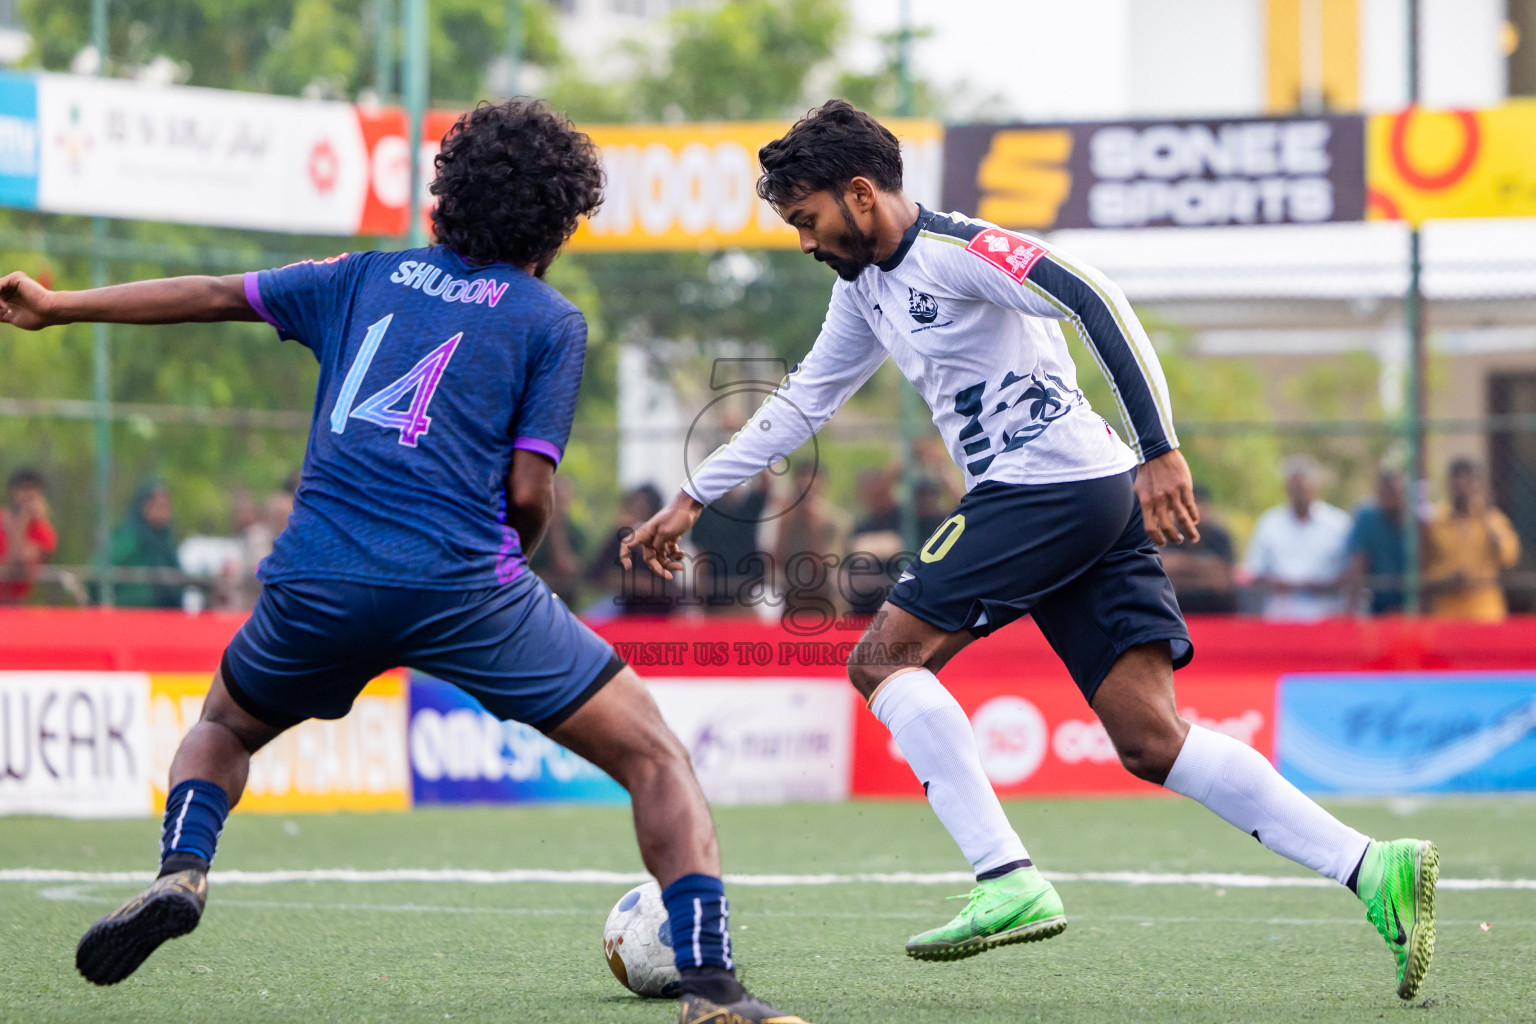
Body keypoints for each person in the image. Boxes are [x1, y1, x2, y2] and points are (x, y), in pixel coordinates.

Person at [0, 99, 805, 1024]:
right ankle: (713, 992)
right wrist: (513, 573)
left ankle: (184, 871)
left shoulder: (358, 277)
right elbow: (531, 495)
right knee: (655, 755)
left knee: (222, 727)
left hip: (317, 580)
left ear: (443, 201)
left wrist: (58, 308)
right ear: (557, 224)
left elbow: (215, 295)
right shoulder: (549, 320)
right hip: (467, 587)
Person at [621, 99, 1436, 1001]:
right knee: (1149, 736)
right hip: (1086, 500)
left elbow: (1094, 299)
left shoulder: (962, 250)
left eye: (806, 219)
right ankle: (1373, 868)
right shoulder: (865, 291)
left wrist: (1159, 447)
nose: (804, 240)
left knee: (882, 658)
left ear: (860, 193)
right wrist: (693, 495)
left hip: (1050, 487)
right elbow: (804, 401)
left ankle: (1005, 877)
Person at [1242, 455, 1352, 621]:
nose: (1300, 489)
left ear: (1316, 486)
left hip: (1327, 618)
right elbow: (1254, 573)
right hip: (1279, 620)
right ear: (1286, 487)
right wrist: (1279, 584)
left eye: (1304, 483)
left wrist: (1320, 585)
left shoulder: (1338, 523)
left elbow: (1351, 574)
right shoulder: (1269, 523)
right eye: (1295, 484)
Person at [1424, 458, 1521, 621]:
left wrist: (1486, 517)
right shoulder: (1436, 522)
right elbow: (1425, 568)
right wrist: (1448, 579)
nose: (1461, 486)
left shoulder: (1493, 518)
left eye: (1467, 481)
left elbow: (1509, 557)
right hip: (1448, 612)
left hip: (1484, 610)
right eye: (1457, 480)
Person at [1159, 484, 1237, 614]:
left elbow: (1222, 580)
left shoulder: (1219, 536)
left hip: (1216, 610)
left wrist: (1182, 567)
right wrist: (1205, 567)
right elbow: (1165, 571)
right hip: (1178, 607)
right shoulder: (1172, 532)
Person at [110, 478, 183, 609]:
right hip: (135, 612)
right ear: (144, 506)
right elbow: (106, 572)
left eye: (167, 507)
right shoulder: (128, 538)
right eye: (158, 506)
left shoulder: (167, 542)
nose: (164, 512)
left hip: (168, 614)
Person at [1344, 469, 1408, 615]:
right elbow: (1358, 563)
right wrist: (1350, 609)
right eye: (1383, 491)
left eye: (1392, 491)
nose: (1388, 497)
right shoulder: (1367, 518)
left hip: (1409, 607)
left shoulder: (1415, 522)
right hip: (1376, 606)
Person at [0, 467, 57, 604]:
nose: (28, 495)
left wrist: (22, 522)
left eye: (33, 490)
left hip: (16, 605)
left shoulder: (43, 531)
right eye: (24, 489)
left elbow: (18, 563)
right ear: (12, 492)